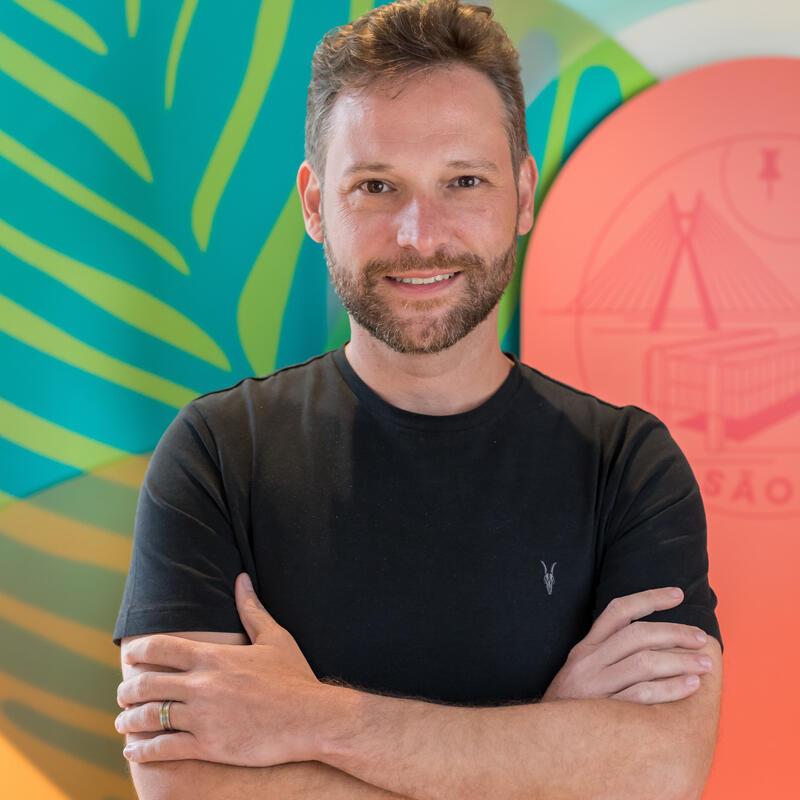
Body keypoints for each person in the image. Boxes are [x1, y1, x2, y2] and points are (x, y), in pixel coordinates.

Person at [113, 1, 723, 798]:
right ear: (314, 204)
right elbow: (185, 784)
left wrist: (313, 720)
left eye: (463, 181)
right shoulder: (217, 454)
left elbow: (662, 769)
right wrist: (550, 747)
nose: (418, 234)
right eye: (375, 185)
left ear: (523, 192)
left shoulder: (629, 466)